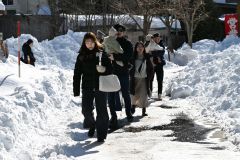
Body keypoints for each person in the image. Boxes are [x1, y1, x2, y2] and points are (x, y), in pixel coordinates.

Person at [73, 32, 112, 142]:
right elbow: (77, 73)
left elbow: (110, 69)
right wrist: (76, 90)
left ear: (95, 42)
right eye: (86, 42)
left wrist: (104, 70)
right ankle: (93, 125)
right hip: (87, 87)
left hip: (100, 86)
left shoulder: (101, 53)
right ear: (84, 43)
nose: (89, 44)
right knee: (86, 110)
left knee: (102, 111)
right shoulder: (81, 56)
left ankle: (101, 135)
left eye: (91, 42)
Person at [108, 24, 134, 129]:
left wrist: (115, 57)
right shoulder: (109, 41)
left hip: (123, 72)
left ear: (124, 32)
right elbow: (105, 53)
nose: (118, 32)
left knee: (125, 94)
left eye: (121, 30)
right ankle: (113, 116)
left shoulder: (127, 43)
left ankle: (128, 112)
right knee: (111, 95)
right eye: (116, 30)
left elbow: (128, 56)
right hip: (111, 72)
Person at [130, 42, 154, 116]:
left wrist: (149, 77)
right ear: (136, 48)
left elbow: (151, 68)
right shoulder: (133, 57)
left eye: (141, 47)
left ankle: (144, 110)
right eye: (138, 47)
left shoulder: (147, 57)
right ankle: (133, 106)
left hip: (144, 79)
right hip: (135, 79)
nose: (140, 48)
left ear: (144, 48)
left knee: (144, 94)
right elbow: (129, 68)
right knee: (134, 94)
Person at [146, 33, 166, 100]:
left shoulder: (161, 45)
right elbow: (147, 53)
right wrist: (156, 53)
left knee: (160, 80)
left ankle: (159, 94)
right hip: (151, 65)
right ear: (153, 38)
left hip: (159, 65)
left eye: (159, 38)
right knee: (150, 79)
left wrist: (153, 52)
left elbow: (162, 52)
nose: (158, 39)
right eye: (156, 38)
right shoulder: (150, 44)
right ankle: (150, 93)